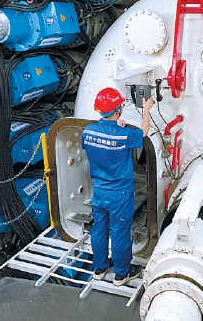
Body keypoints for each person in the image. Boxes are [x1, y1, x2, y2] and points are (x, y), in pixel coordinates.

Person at [82, 87, 155, 286]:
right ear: (117, 111)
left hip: (99, 191)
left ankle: (100, 268)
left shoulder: (88, 131)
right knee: (120, 231)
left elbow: (102, 144)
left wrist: (116, 127)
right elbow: (144, 133)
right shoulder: (124, 135)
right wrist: (146, 110)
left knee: (99, 228)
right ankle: (122, 274)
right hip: (119, 194)